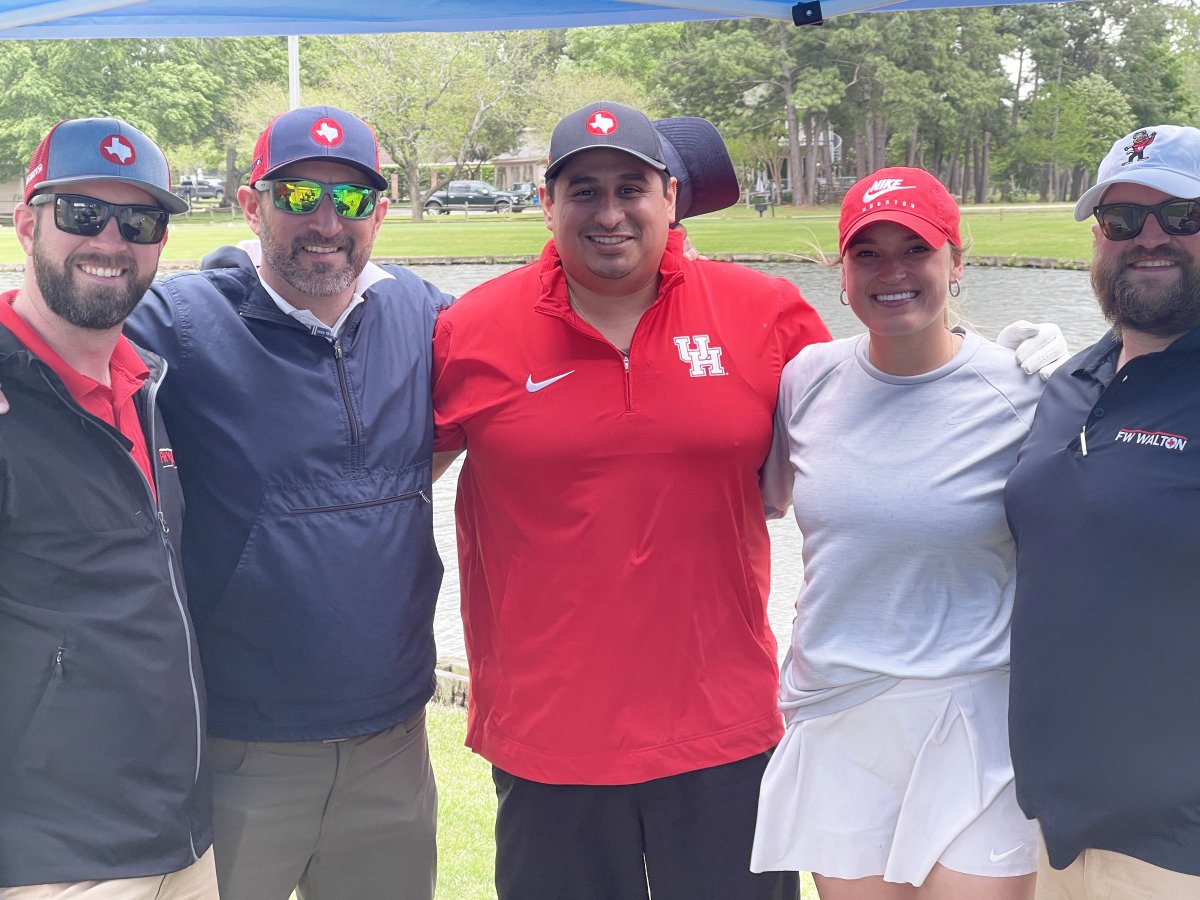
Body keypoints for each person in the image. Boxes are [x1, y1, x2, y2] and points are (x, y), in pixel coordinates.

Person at [431, 101, 830, 900]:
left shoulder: (766, 313)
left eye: (630, 188)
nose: (609, 212)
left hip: (722, 729)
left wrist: (986, 372)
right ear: (547, 204)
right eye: (584, 190)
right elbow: (380, 485)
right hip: (549, 739)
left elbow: (877, 435)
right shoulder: (470, 329)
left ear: (670, 198)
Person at [121, 106, 452, 900]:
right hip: (243, 746)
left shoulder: (424, 315)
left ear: (380, 210)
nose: (327, 222)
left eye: (352, 198)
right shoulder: (181, 322)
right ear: (251, 204)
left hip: (394, 743)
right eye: (299, 196)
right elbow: (55, 336)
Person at [750, 167, 1044, 900]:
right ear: (841, 272)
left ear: (956, 262)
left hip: (974, 712)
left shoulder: (1025, 387)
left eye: (916, 249)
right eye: (868, 253)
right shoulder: (806, 379)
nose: (893, 272)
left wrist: (1089, 372)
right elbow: (759, 499)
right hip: (839, 710)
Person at [0, 118, 214, 897]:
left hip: (183, 838)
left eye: (139, 222)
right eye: (82, 213)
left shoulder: (148, 383)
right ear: (28, 224)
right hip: (61, 862)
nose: (111, 240)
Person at [1006, 124, 1200, 900]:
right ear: (1097, 238)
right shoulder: (1069, 382)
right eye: (1122, 219)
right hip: (1055, 836)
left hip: (1176, 851)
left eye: (1182, 215)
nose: (1149, 237)